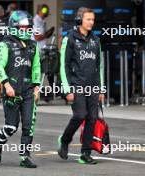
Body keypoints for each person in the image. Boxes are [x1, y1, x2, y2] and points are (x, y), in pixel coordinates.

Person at [0, 10, 41, 168]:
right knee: (12, 127)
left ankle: (24, 157)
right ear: (14, 27)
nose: (26, 30)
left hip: (28, 91)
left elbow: (36, 68)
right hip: (11, 90)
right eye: (22, 28)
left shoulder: (34, 45)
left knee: (29, 126)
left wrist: (37, 87)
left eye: (28, 28)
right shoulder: (4, 44)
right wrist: (6, 85)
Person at [57, 7, 105, 164]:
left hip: (93, 86)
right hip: (76, 85)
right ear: (79, 20)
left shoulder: (96, 40)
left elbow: (100, 66)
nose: (91, 22)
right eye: (88, 19)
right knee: (80, 115)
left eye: (93, 19)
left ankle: (85, 154)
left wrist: (101, 88)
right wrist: (67, 89)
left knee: (92, 118)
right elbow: (63, 66)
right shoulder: (69, 38)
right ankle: (64, 140)